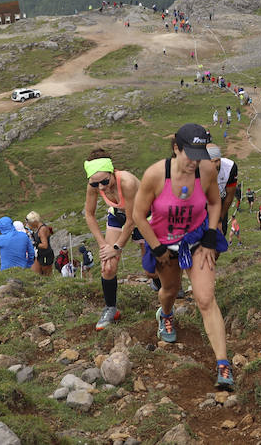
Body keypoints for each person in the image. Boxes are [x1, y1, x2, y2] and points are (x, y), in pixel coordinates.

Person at [132, 124, 234, 389]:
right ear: (176, 148)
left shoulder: (207, 170)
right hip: (164, 243)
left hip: (197, 239)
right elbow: (138, 216)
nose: (195, 161)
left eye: (199, 154)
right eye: (190, 154)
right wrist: (156, 248)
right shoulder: (155, 175)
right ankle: (165, 314)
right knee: (170, 290)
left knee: (205, 298)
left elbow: (214, 203)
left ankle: (223, 365)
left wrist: (212, 234)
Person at [82, 148, 142, 330]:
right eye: (95, 184)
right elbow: (89, 215)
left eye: (105, 182)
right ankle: (110, 308)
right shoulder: (94, 184)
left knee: (152, 270)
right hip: (117, 215)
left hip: (143, 217)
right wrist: (103, 245)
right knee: (108, 266)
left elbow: (132, 221)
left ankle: (163, 286)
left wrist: (116, 247)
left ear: (112, 171)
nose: (101, 188)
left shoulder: (128, 183)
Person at [206, 143, 241, 235]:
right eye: (211, 161)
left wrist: (220, 218)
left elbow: (230, 195)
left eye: (217, 161)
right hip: (202, 205)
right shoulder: (197, 168)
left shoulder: (230, 168)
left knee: (219, 235)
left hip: (220, 203)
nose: (214, 165)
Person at [27, 211, 55, 276]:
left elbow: (45, 245)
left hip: (46, 255)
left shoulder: (42, 229)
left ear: (34, 221)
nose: (30, 225)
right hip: (40, 254)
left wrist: (34, 244)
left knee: (46, 276)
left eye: (30, 223)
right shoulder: (40, 227)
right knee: (37, 274)